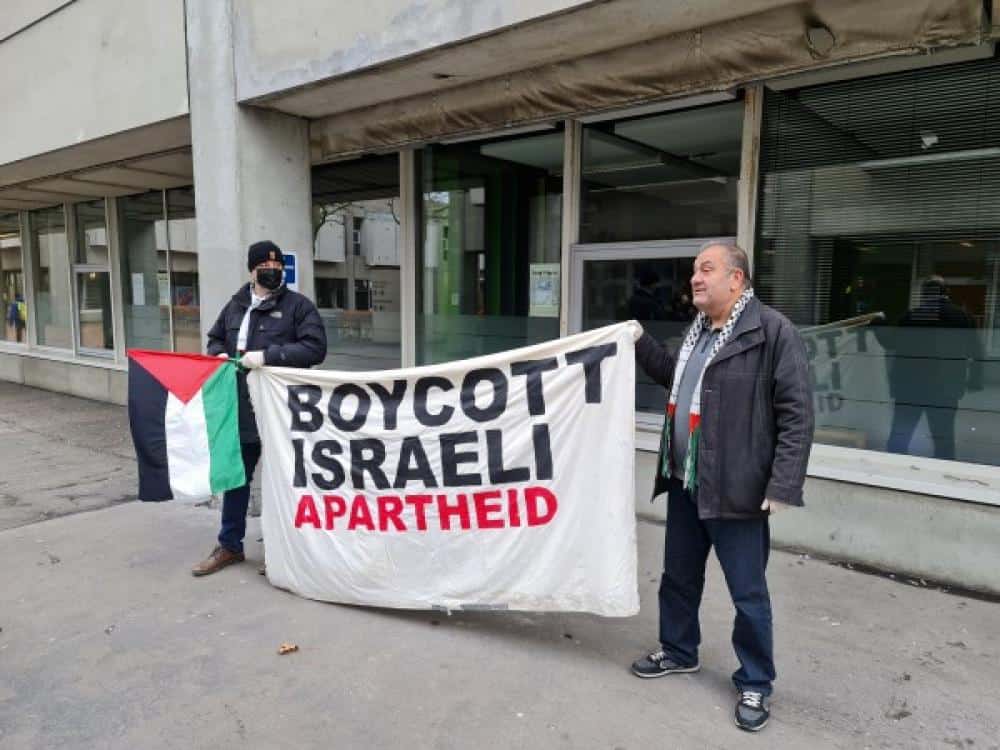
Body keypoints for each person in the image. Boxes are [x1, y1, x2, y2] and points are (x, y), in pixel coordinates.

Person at [629, 240, 813, 732]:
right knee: (678, 577)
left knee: (748, 594)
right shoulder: (699, 332)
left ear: (737, 279)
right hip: (686, 480)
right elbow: (673, 376)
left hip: (740, 489)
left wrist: (782, 484)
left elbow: (796, 413)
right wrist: (639, 341)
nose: (695, 277)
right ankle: (678, 649)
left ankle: (755, 680)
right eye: (694, 270)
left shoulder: (773, 331)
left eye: (706, 269)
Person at [192, 240, 327, 576]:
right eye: (266, 267)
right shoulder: (236, 305)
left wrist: (268, 356)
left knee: (284, 481)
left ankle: (284, 553)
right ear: (252, 271)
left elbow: (315, 348)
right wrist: (218, 354)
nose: (273, 272)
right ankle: (230, 545)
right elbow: (215, 338)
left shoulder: (298, 307)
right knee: (237, 479)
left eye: (278, 267)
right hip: (241, 407)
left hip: (283, 410)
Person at [885, 276, 983, 460]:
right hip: (946, 388)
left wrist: (877, 324)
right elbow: (977, 352)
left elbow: (890, 342)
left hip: (910, 388)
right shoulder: (963, 317)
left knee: (901, 435)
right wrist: (975, 381)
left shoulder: (912, 316)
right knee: (944, 438)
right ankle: (944, 471)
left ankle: (893, 468)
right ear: (947, 292)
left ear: (924, 294)